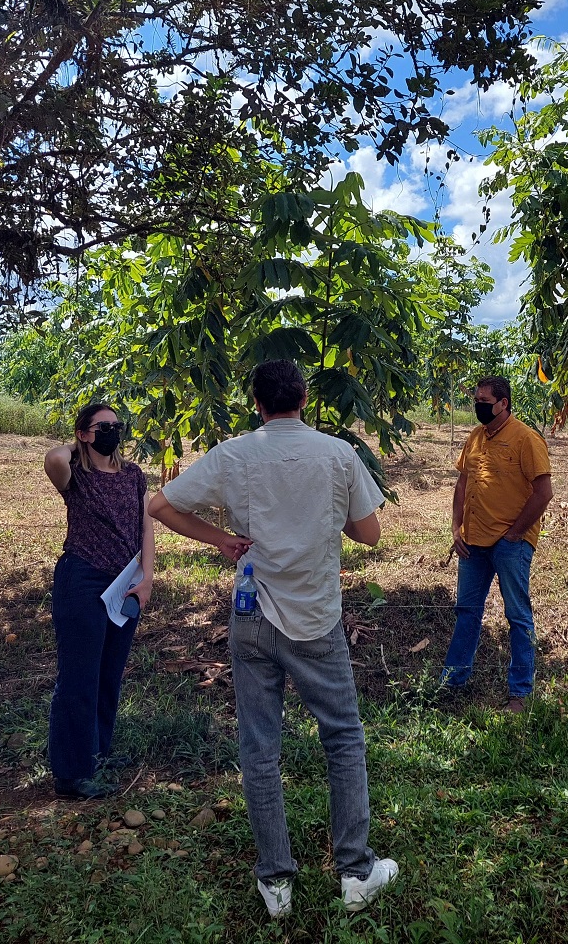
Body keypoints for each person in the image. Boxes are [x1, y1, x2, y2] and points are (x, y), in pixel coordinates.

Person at [148, 360, 399, 920]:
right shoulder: (338, 454)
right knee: (342, 738)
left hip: (253, 615)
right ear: (304, 398)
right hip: (316, 617)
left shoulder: (233, 454)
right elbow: (370, 533)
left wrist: (225, 540)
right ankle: (356, 872)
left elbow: (161, 504)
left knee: (260, 748)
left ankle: (276, 882)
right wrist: (325, 514)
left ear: (256, 403)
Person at [43, 403, 154, 800]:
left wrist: (147, 577)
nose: (112, 432)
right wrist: (77, 446)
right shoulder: (76, 476)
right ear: (84, 433)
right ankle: (71, 773)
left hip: (124, 583)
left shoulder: (132, 475)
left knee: (109, 673)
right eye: (102, 426)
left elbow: (145, 525)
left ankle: (98, 753)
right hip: (83, 578)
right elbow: (53, 457)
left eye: (116, 425)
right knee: (79, 676)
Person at [440, 375, 553, 713]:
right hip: (472, 543)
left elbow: (543, 493)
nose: (479, 408)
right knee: (467, 613)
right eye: (476, 401)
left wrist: (516, 533)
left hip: (510, 543)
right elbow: (463, 484)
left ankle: (519, 694)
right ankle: (452, 683)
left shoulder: (526, 439)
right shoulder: (475, 438)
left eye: (485, 403)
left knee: (517, 616)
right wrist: (457, 528)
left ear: (504, 404)